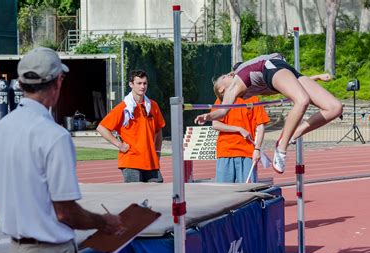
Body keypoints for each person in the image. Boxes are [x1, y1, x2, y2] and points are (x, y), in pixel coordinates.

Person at [0, 47, 124, 253]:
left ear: (22, 83)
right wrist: (104, 223)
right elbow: (65, 212)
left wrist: (22, 218)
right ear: (57, 83)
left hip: (17, 252)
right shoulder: (54, 136)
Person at [194, 53, 343, 174]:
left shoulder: (249, 83)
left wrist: (316, 78)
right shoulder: (235, 86)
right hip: (272, 66)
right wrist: (208, 116)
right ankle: (281, 148)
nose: (227, 74)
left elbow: (290, 84)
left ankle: (294, 133)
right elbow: (222, 111)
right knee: (302, 100)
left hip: (284, 67)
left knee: (335, 108)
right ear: (221, 89)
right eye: (224, 77)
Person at [97, 70, 166, 183]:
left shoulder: (153, 105)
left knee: (156, 194)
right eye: (139, 83)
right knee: (134, 196)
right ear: (131, 84)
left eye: (145, 83)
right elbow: (101, 128)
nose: (142, 86)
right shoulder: (123, 107)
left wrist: (157, 151)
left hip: (151, 161)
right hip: (131, 161)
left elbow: (158, 130)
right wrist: (119, 144)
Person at [212, 95, 270, 183]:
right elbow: (215, 124)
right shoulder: (222, 98)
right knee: (224, 192)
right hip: (225, 152)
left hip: (247, 153)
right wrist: (239, 129)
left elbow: (260, 126)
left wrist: (257, 149)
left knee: (248, 192)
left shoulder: (254, 99)